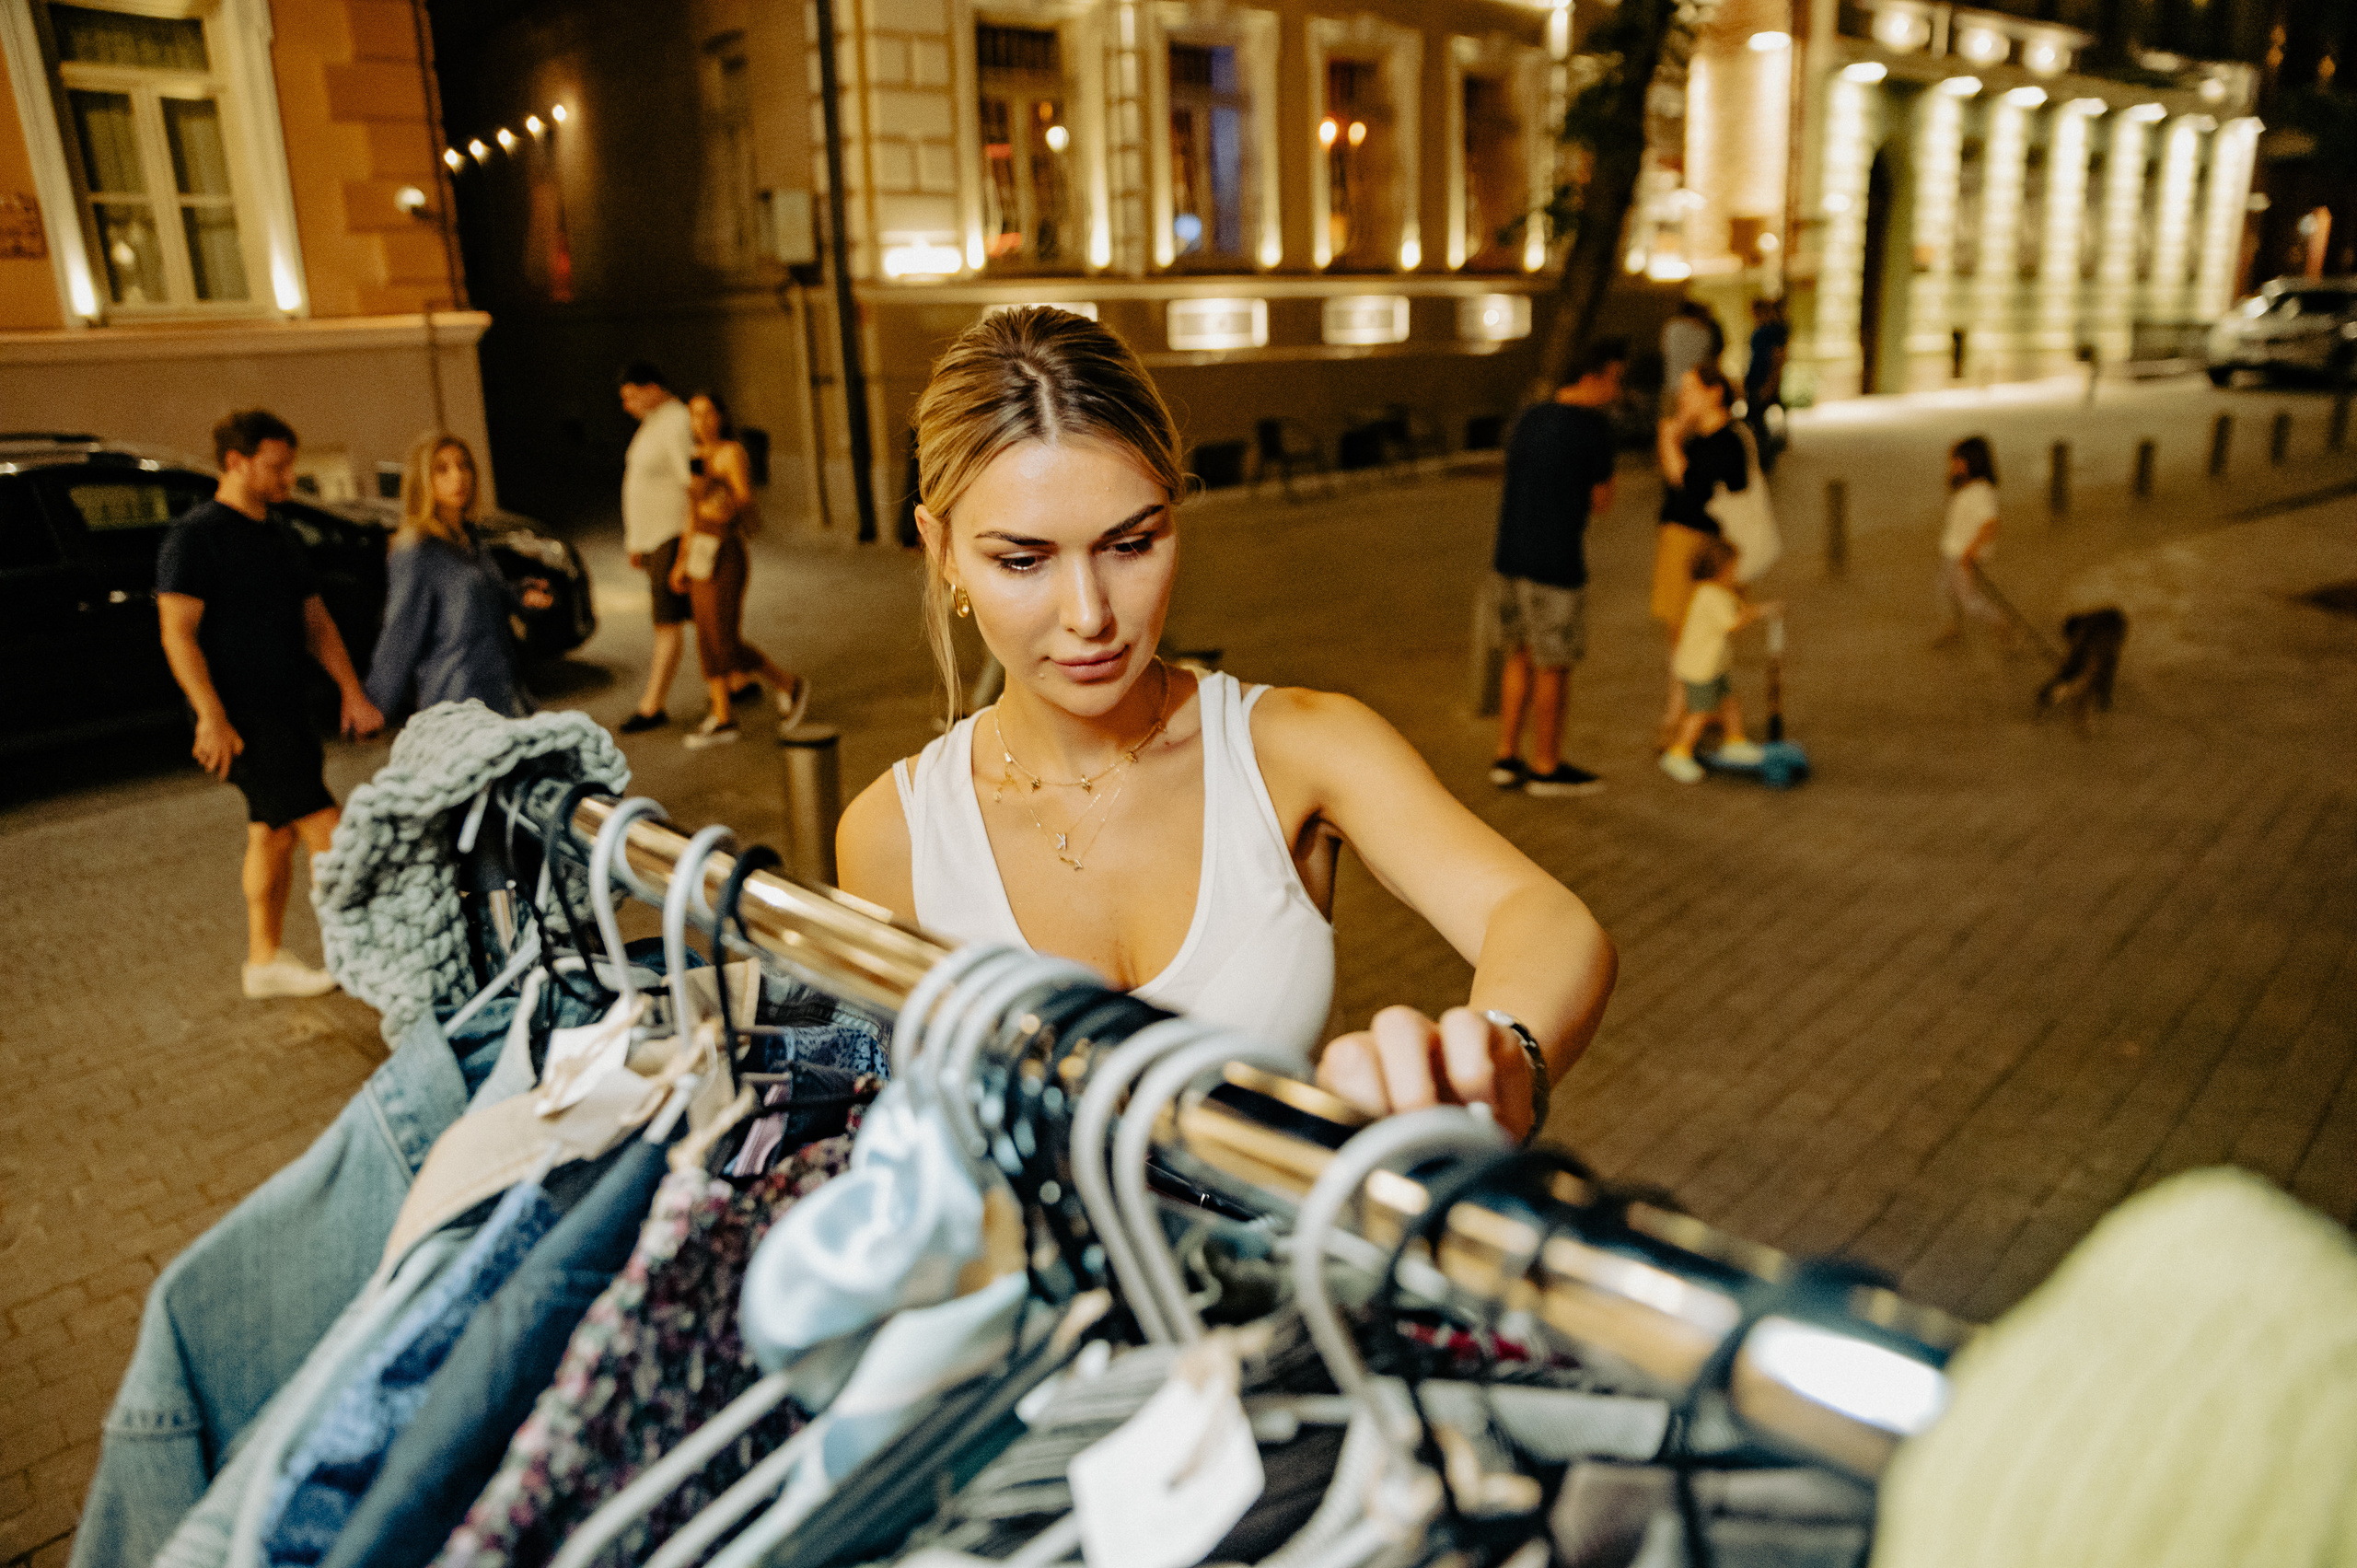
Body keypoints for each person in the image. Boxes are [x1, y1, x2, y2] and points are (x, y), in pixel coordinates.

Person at [836, 308, 1617, 1142]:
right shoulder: (894, 836)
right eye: (1023, 560)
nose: (1090, 614)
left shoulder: (1294, 748)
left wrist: (1505, 1055)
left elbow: (1543, 916)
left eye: (1130, 544)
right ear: (942, 548)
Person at [157, 410, 384, 999]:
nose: (288, 476)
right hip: (240, 717)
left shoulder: (280, 536)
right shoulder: (196, 537)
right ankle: (368, 953)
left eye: (290, 464)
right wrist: (210, 714)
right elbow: (177, 632)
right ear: (236, 462)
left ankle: (264, 961)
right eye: (276, 465)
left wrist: (351, 691)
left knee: (272, 831)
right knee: (328, 828)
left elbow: (316, 621)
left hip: (285, 706)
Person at [1487, 338, 1626, 797]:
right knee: (1554, 666)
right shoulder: (1593, 429)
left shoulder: (1530, 415)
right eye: (1614, 379)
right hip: (1555, 563)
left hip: (1508, 557)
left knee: (1518, 655)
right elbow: (1602, 501)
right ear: (1593, 377)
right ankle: (1546, 765)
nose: (1617, 390)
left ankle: (1506, 756)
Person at [365, 433, 551, 723]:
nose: (458, 477)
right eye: (442, 469)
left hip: (501, 689)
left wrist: (522, 594)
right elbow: (401, 630)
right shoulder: (417, 551)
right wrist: (375, 703)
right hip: (457, 697)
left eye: (464, 466)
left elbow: (486, 597)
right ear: (423, 480)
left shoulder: (469, 538)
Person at [668, 390, 813, 748]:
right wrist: (681, 560)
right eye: (693, 415)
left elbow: (744, 498)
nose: (700, 422)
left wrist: (719, 500)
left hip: (726, 550)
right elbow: (690, 514)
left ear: (720, 416)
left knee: (724, 638)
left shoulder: (731, 452)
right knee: (705, 634)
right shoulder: (695, 455)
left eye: (706, 413)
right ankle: (722, 715)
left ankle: (788, 683)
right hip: (700, 550)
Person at [1650, 362, 1748, 748]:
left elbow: (1688, 486)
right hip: (1684, 540)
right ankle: (1699, 706)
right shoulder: (1703, 439)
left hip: (1699, 544)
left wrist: (1669, 440)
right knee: (1686, 633)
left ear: (1714, 394)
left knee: (1692, 632)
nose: (1682, 397)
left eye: (1691, 389)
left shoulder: (1727, 441)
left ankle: (1683, 714)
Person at [616, 362, 696, 734]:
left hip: (671, 535)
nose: (627, 405)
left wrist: (682, 549)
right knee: (705, 620)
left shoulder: (676, 420)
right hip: (655, 539)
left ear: (652, 387)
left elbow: (689, 483)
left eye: (631, 395)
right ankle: (739, 680)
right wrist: (637, 541)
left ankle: (652, 704)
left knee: (666, 622)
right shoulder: (654, 423)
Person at [1659, 537, 1780, 784]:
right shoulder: (1710, 596)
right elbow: (1733, 623)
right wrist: (1759, 614)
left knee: (1729, 701)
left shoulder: (1718, 592)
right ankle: (1678, 753)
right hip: (1700, 668)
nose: (1737, 572)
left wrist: (1762, 609)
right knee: (1700, 711)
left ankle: (1735, 741)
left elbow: (1740, 609)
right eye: (1733, 567)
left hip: (1714, 665)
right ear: (1721, 570)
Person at [1933, 436, 2011, 648]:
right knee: (1945, 591)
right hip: (1952, 551)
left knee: (1969, 600)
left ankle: (2001, 621)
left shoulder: (1981, 492)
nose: (1953, 466)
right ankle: (1952, 628)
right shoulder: (1967, 488)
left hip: (1962, 554)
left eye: (1957, 461)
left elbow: (1990, 523)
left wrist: (1972, 550)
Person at [1744, 297, 1789, 472]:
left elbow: (1777, 359)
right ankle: (1762, 456)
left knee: (1757, 421)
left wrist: (1770, 384)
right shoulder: (1761, 330)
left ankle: (1765, 458)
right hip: (1755, 377)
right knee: (1756, 420)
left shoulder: (1772, 332)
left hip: (1762, 380)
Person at [1659, 301, 1719, 419]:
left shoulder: (1671, 328)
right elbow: (1707, 360)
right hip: (1696, 389)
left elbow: (1664, 351)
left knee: (1671, 425)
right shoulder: (1704, 333)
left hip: (1672, 386)